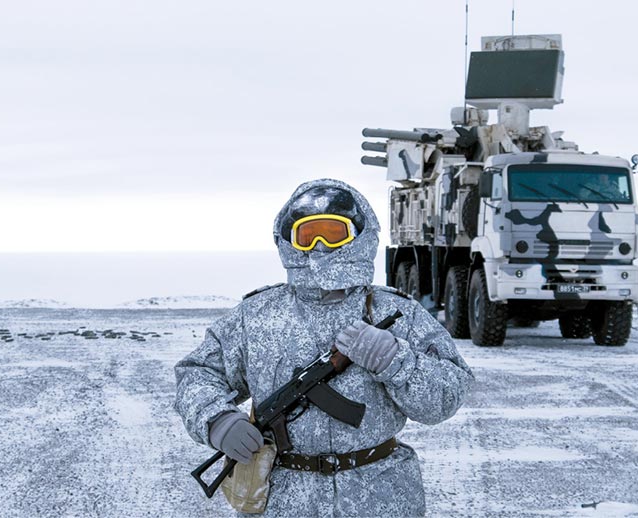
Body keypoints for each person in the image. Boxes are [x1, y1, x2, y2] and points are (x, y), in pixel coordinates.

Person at [174, 178, 473, 517]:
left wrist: (397, 361)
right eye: (307, 235)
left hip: (381, 497)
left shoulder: (398, 314)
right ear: (289, 241)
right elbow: (197, 374)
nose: (319, 246)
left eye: (333, 233)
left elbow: (449, 395)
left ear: (358, 237)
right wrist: (218, 420)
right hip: (282, 499)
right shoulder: (255, 316)